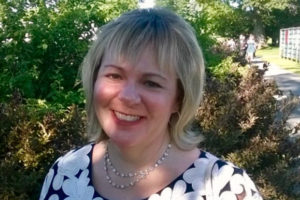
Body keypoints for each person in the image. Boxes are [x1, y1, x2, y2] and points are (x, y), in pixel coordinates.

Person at [39, 8, 263, 200]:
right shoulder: (65, 172)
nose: (127, 96)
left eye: (151, 83)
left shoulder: (226, 189)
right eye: (115, 76)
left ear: (179, 98)